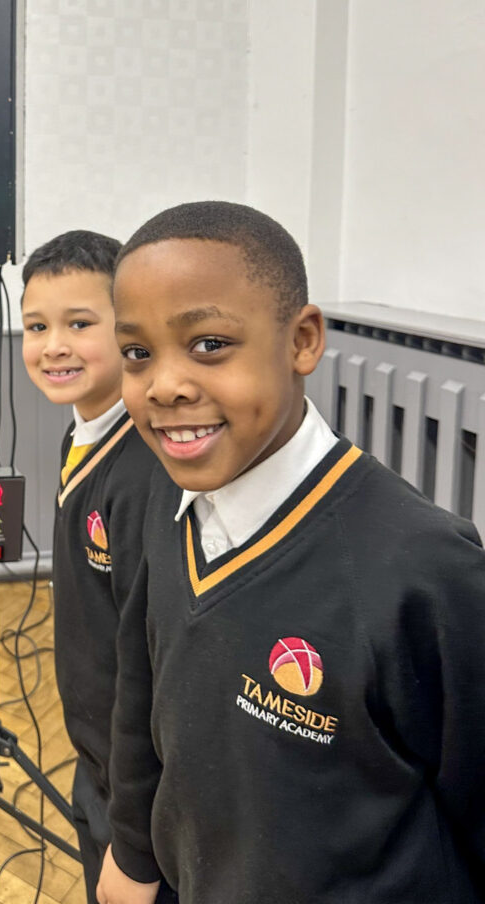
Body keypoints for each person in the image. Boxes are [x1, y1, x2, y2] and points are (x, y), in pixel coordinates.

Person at [97, 201, 485, 904]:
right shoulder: (164, 492)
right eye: (137, 353)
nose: (164, 385)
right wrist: (131, 851)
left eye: (209, 343)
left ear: (302, 340)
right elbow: (141, 684)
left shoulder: (426, 570)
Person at [21, 230, 176, 904]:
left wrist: (136, 843)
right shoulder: (81, 432)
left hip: (140, 794)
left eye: (80, 324)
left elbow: (154, 669)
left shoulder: (144, 471)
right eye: (36, 327)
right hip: (97, 761)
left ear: (128, 329)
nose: (54, 345)